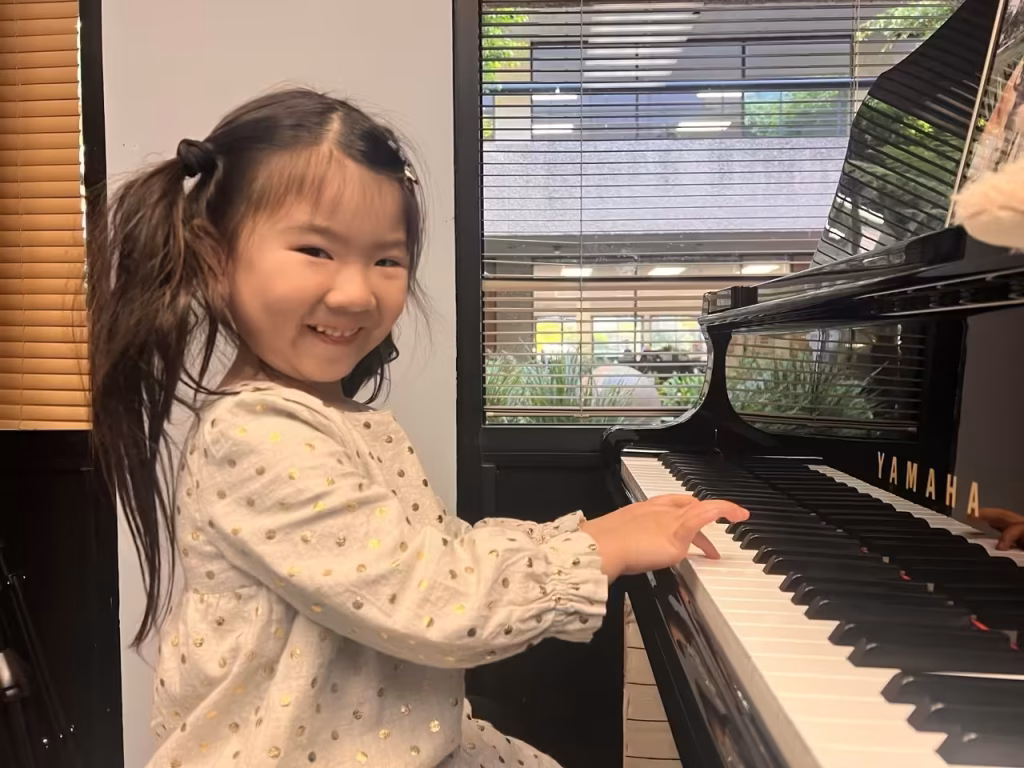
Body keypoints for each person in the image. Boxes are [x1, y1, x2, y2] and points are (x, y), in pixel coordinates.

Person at [86, 89, 748, 768]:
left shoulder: (335, 420)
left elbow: (427, 551)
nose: (355, 293)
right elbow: (433, 597)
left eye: (387, 260)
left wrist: (573, 536)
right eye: (316, 249)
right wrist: (596, 551)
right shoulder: (258, 434)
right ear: (214, 257)